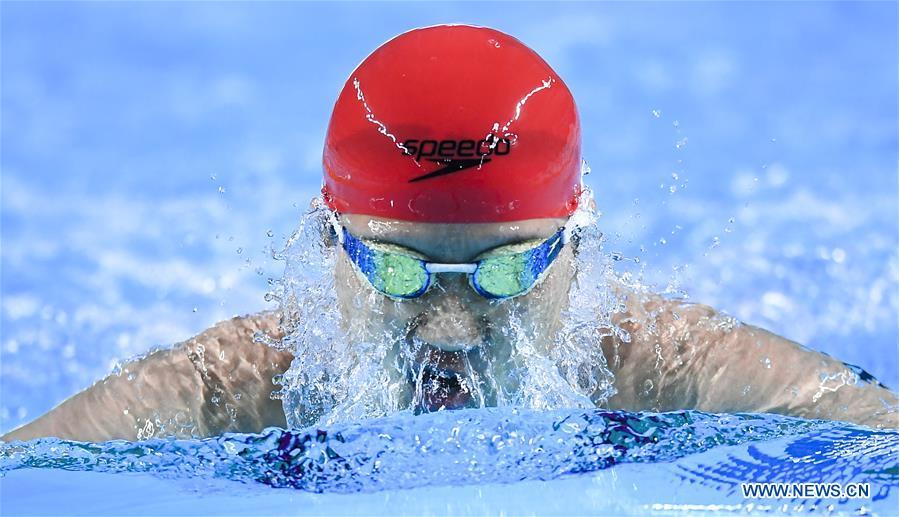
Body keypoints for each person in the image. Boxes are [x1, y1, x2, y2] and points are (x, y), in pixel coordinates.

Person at [3, 25, 896, 442]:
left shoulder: (654, 362)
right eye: (398, 269)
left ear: (573, 247)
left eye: (505, 271)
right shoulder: (241, 385)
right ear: (330, 246)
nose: (451, 328)